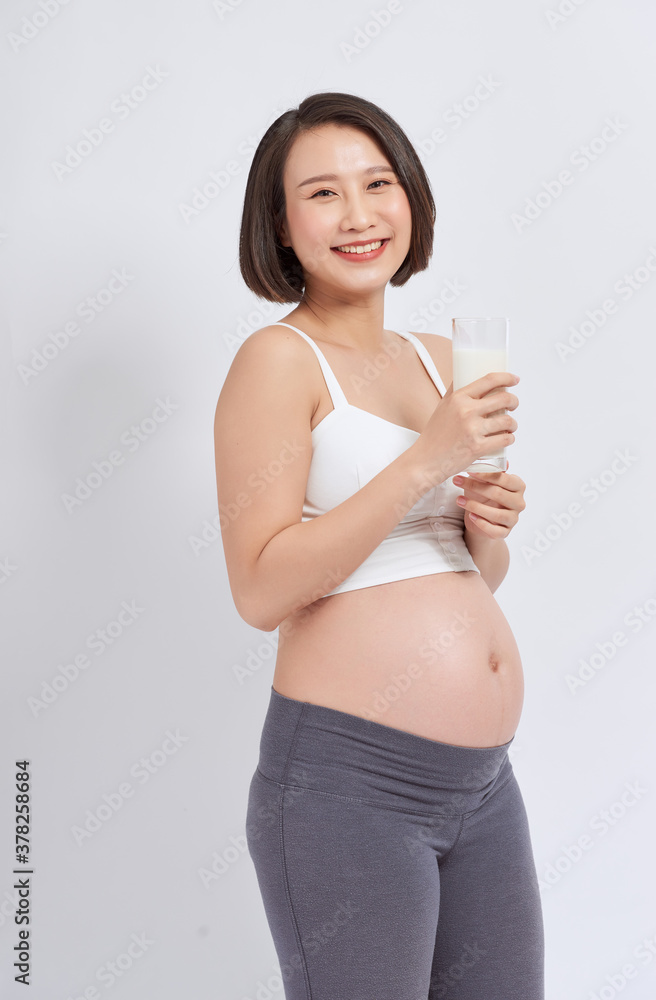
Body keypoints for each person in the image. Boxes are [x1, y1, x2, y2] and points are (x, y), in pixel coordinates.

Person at [214, 91, 544, 1000]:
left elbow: (466, 577)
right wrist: (425, 460)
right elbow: (258, 590)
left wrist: (486, 529)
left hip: (483, 789)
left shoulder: (443, 357)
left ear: (411, 200)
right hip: (347, 788)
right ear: (279, 226)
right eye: (321, 194)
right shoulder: (277, 362)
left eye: (377, 183)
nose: (357, 215)